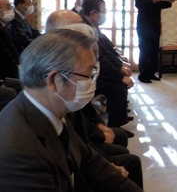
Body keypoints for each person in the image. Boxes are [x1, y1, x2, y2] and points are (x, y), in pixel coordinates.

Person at [0, 29, 143, 191]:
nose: (92, 81)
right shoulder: (18, 153)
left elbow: (91, 161)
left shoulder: (51, 112)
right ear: (54, 80)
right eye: (89, 74)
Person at [80, 0, 134, 129]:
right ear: (93, 13)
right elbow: (100, 58)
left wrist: (120, 65)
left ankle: (119, 121)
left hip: (95, 70)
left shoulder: (92, 25)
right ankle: (115, 127)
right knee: (118, 86)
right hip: (85, 75)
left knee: (120, 82)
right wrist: (120, 76)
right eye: (104, 11)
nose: (105, 14)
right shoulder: (86, 29)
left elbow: (105, 49)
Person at [135, 0, 175, 83]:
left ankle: (152, 73)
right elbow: (139, 5)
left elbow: (161, 5)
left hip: (155, 24)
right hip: (144, 24)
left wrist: (169, 1)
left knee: (154, 50)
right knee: (145, 50)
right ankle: (143, 75)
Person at [0, 0, 22, 98]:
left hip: (8, 69)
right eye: (7, 7)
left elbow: (12, 48)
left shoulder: (5, 26)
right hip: (4, 71)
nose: (10, 10)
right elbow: (4, 54)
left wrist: (19, 64)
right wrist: (17, 70)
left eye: (10, 7)